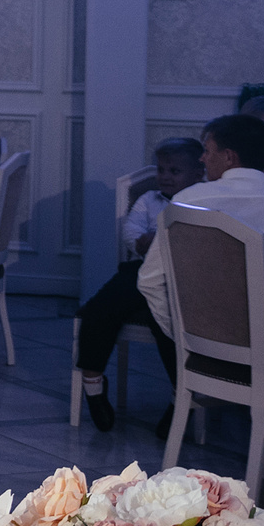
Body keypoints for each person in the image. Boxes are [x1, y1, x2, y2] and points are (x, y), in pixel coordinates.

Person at [76, 137, 204, 432]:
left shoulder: (203, 202)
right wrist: (152, 241)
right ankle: (93, 386)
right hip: (140, 269)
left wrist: (155, 239)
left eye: (174, 171)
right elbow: (131, 234)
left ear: (198, 175)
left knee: (168, 321)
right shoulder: (148, 200)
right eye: (161, 170)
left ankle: (181, 397)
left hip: (182, 277)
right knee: (100, 310)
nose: (165, 177)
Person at [137, 113, 264, 356]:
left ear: (228, 157)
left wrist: (183, 337)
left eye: (207, 151)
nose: (202, 158)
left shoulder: (189, 201)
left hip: (206, 346)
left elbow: (150, 280)